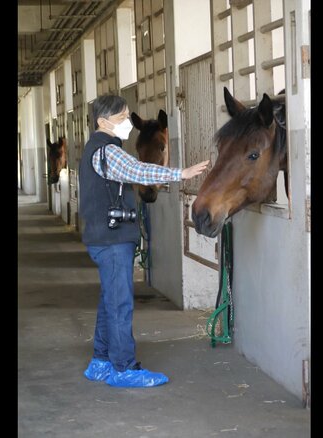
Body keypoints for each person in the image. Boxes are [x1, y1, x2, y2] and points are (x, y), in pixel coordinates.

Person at [79, 94, 210, 387]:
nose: (128, 123)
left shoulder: (96, 148)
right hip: (112, 240)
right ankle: (123, 367)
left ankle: (100, 361)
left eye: (127, 116)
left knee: (110, 299)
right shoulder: (107, 151)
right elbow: (139, 170)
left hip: (105, 238)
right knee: (120, 304)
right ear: (103, 122)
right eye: (122, 118)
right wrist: (181, 173)